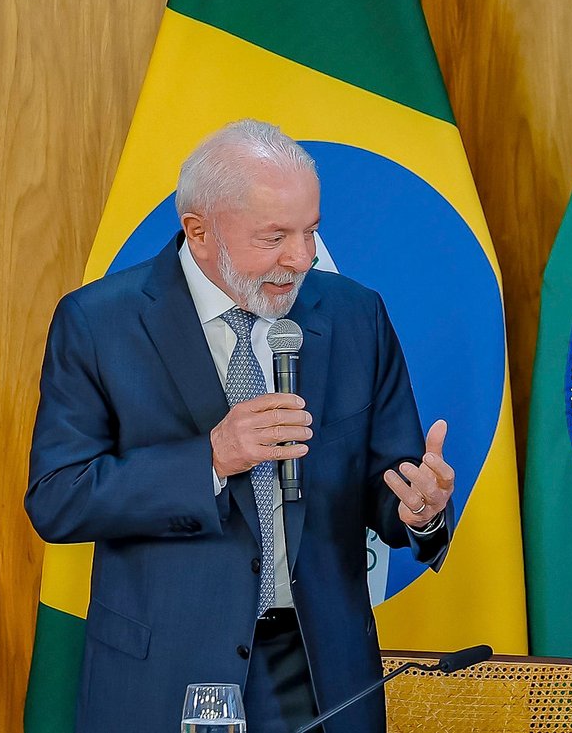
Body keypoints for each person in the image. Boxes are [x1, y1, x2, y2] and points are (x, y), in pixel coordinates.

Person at [26, 119, 456, 733]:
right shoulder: (99, 324)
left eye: (310, 232)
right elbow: (58, 499)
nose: (301, 258)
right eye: (275, 236)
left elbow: (390, 481)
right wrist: (211, 458)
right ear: (199, 230)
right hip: (166, 674)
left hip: (321, 669)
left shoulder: (355, 314)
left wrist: (420, 511)